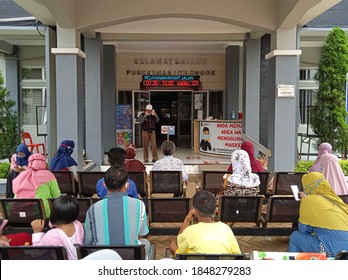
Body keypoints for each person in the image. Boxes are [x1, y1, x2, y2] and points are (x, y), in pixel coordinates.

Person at [84, 165, 151, 258]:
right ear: (127, 185)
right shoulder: (139, 205)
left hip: (102, 257)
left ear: (104, 184)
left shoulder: (93, 209)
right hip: (130, 256)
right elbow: (141, 234)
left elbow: (87, 240)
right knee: (146, 243)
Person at [288, 172, 348, 257]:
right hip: (345, 249)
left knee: (295, 237)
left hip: (333, 249)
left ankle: (291, 267)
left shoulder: (308, 201)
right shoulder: (335, 199)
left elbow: (303, 230)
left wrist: (305, 202)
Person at [169, 190, 241, 256]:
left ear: (194, 210)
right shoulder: (226, 229)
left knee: (173, 244)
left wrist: (187, 220)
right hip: (222, 269)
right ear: (216, 210)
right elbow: (237, 255)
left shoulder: (190, 231)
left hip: (194, 269)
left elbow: (179, 244)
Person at [31, 195, 84, 260]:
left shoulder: (52, 235)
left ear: (54, 212)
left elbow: (37, 253)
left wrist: (37, 232)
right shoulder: (78, 225)